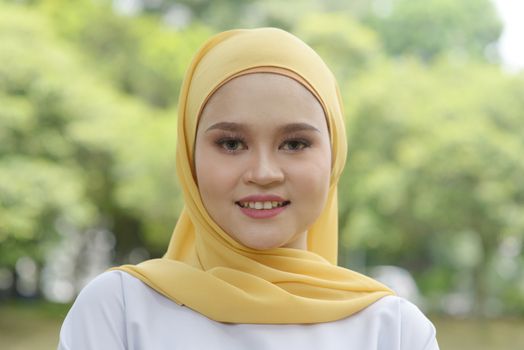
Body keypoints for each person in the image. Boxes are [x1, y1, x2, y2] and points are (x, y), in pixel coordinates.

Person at [58, 28, 439, 350]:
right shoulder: (121, 310)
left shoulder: (393, 332)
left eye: (294, 144)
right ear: (190, 160)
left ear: (335, 156)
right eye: (231, 144)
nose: (264, 172)